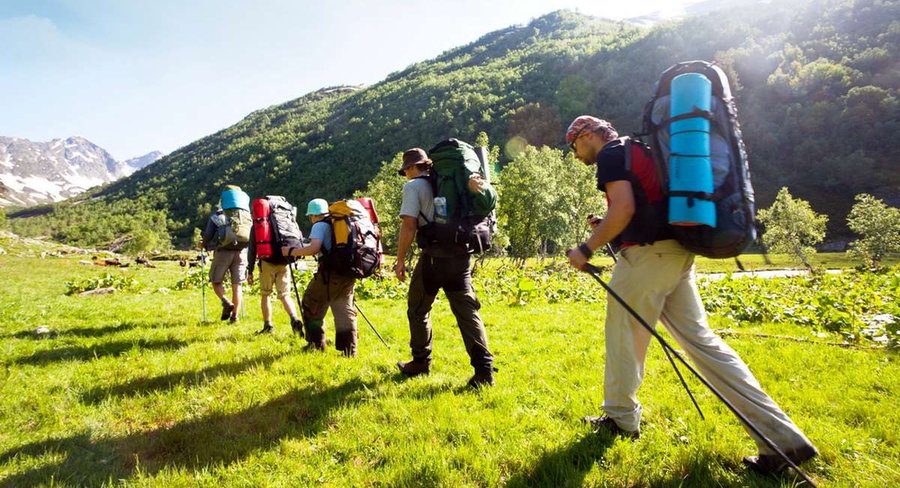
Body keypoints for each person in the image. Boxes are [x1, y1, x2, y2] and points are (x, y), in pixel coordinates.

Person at [564, 115, 817, 474]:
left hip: (648, 258)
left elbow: (624, 208)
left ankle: (621, 420)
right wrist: (607, 226)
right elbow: (640, 205)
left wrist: (586, 248)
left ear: (587, 135)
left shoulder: (611, 154)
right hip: (677, 254)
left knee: (623, 338)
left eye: (574, 145)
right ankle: (783, 439)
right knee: (704, 344)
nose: (575, 154)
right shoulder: (641, 149)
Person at [393, 147, 494, 388]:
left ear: (410, 168)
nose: (405, 174)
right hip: (460, 256)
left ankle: (420, 362)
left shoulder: (413, 186)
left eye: (405, 170)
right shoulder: (446, 181)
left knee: (418, 308)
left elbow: (409, 225)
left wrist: (399, 259)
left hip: (434, 258)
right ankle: (484, 371)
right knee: (467, 313)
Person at [283, 198, 359, 356]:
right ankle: (349, 350)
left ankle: (316, 344)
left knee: (311, 303)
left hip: (330, 274)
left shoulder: (319, 225)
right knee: (344, 309)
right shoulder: (337, 222)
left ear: (312, 215)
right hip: (348, 271)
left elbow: (314, 248)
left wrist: (290, 251)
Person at [201, 185, 250, 323]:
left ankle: (226, 302)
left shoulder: (218, 216)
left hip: (223, 252)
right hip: (241, 252)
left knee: (216, 281)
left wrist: (202, 244)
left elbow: (208, 236)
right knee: (237, 285)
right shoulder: (246, 216)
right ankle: (235, 317)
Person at [246, 225, 303, 335]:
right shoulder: (284, 220)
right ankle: (294, 319)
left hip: (267, 262)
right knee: (285, 295)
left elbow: (252, 249)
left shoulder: (260, 222)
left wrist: (250, 270)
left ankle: (268, 326)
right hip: (284, 261)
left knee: (266, 294)